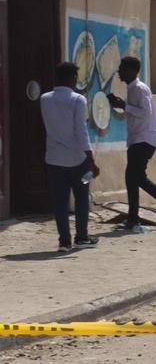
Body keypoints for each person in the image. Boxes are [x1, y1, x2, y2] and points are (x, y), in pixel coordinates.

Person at [105, 55, 156, 228]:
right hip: (138, 138)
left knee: (133, 177)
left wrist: (124, 106)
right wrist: (121, 105)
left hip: (143, 139)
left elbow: (144, 112)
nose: (119, 72)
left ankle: (141, 216)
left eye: (123, 69)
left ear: (132, 70)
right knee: (136, 178)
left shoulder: (140, 89)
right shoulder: (133, 89)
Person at [40, 61, 99, 253]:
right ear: (72, 78)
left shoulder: (44, 99)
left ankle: (64, 241)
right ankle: (81, 236)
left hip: (54, 159)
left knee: (60, 201)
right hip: (78, 159)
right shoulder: (78, 99)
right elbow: (81, 131)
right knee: (82, 197)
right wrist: (91, 158)